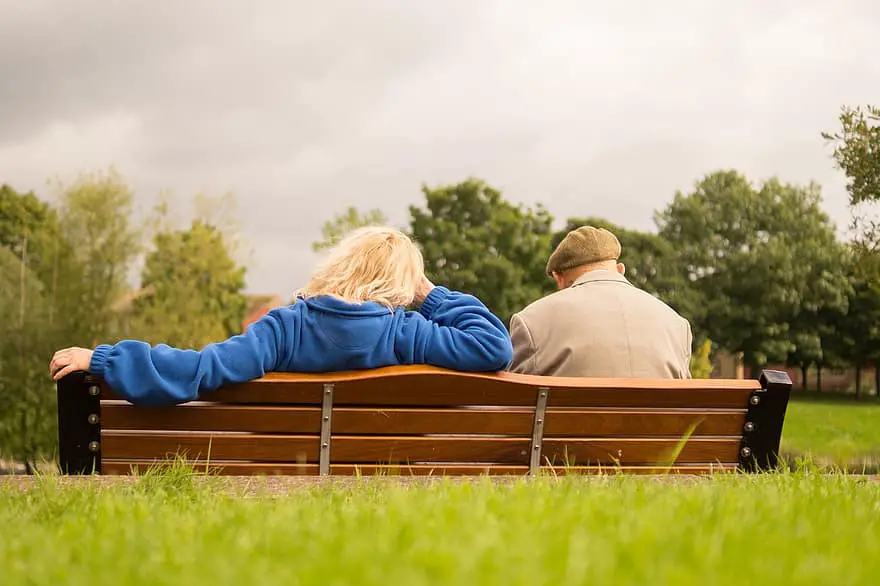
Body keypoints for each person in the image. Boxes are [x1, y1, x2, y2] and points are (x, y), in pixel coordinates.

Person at [50, 226, 513, 405]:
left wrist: (106, 360)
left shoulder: (284, 328)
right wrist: (429, 295)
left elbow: (202, 368)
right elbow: (494, 346)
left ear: (340, 265)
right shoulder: (408, 333)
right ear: (400, 285)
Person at [508, 225, 692, 378]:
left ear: (558, 277)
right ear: (620, 269)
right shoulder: (677, 324)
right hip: (659, 423)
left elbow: (513, 404)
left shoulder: (531, 321)